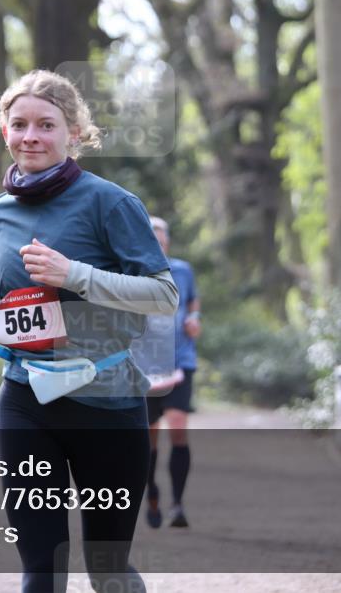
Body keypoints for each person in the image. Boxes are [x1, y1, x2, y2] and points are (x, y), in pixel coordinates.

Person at [0, 69, 178, 593]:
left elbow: (165, 295)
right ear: (3, 130)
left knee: (107, 569)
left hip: (108, 402)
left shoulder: (110, 203)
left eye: (46, 125)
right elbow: (3, 302)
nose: (31, 136)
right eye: (20, 124)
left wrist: (76, 275)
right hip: (26, 397)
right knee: (40, 568)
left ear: (74, 132)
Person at [142, 216, 200, 529]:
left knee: (177, 427)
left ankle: (177, 504)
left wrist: (195, 318)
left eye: (163, 240)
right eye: (153, 240)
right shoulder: (132, 270)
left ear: (168, 242)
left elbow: (193, 302)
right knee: (148, 438)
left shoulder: (183, 270)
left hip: (180, 360)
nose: (159, 245)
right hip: (145, 366)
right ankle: (152, 492)